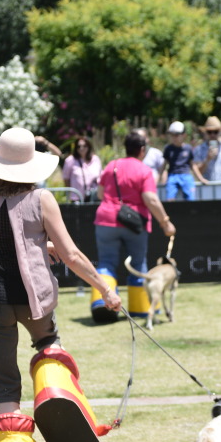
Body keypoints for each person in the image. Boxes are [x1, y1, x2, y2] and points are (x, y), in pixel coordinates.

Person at [0, 127, 121, 416]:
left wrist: (37, 244)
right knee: (49, 345)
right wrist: (106, 290)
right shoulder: (41, 199)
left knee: (1, 372)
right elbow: (72, 255)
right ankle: (56, 400)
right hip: (32, 298)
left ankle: (10, 433)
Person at [94, 132, 176, 319]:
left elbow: (100, 194)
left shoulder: (111, 166)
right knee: (138, 264)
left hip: (106, 219)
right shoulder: (144, 171)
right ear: (142, 150)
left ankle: (101, 303)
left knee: (106, 262)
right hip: (134, 223)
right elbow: (150, 199)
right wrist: (165, 222)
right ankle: (141, 308)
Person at [160, 121, 207, 201]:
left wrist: (201, 179)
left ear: (184, 135)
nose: (174, 137)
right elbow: (164, 165)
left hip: (186, 175)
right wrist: (158, 179)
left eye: (176, 135)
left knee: (190, 198)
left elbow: (193, 165)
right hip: (172, 176)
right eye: (172, 135)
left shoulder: (188, 148)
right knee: (170, 198)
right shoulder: (168, 149)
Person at [62, 136, 102, 202]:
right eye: (79, 146)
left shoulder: (95, 159)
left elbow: (100, 176)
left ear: (89, 146)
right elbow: (66, 179)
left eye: (84, 146)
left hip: (94, 196)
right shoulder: (70, 160)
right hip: (77, 198)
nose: (81, 148)